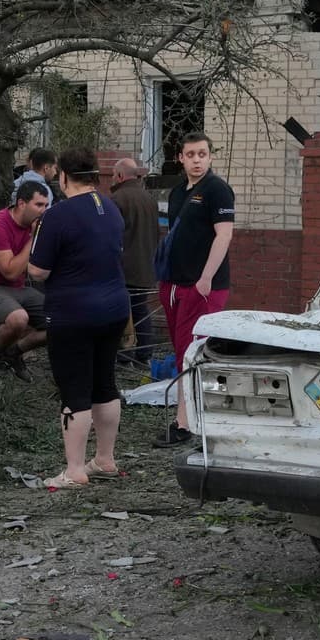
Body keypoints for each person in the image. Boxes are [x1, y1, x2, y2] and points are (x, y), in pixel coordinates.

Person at [27, 147, 125, 490]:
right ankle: (105, 459)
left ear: (64, 177)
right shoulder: (111, 208)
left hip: (73, 312)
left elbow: (38, 270)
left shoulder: (57, 215)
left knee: (75, 390)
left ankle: (74, 470)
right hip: (114, 308)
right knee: (105, 384)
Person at [156, 131, 235, 447]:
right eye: (190, 155)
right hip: (174, 284)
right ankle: (187, 419)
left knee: (194, 353)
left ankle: (187, 423)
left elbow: (224, 235)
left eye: (202, 154)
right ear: (181, 158)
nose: (197, 160)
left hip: (202, 286)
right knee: (181, 352)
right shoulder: (178, 192)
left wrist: (206, 278)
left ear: (210, 156)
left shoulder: (217, 190)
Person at [0, 179, 51, 383]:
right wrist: (34, 238)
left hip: (18, 290)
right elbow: (10, 272)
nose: (43, 211)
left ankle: (13, 353)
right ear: (21, 203)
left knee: (63, 321)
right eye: (39, 205)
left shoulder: (35, 227)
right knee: (18, 319)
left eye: (46, 205)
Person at [109, 157, 161, 365]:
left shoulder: (117, 199)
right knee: (140, 310)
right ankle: (144, 355)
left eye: (114, 175)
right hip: (146, 266)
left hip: (123, 268)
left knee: (121, 313)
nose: (112, 179)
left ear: (121, 175)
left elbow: (112, 236)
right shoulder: (149, 199)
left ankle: (124, 357)